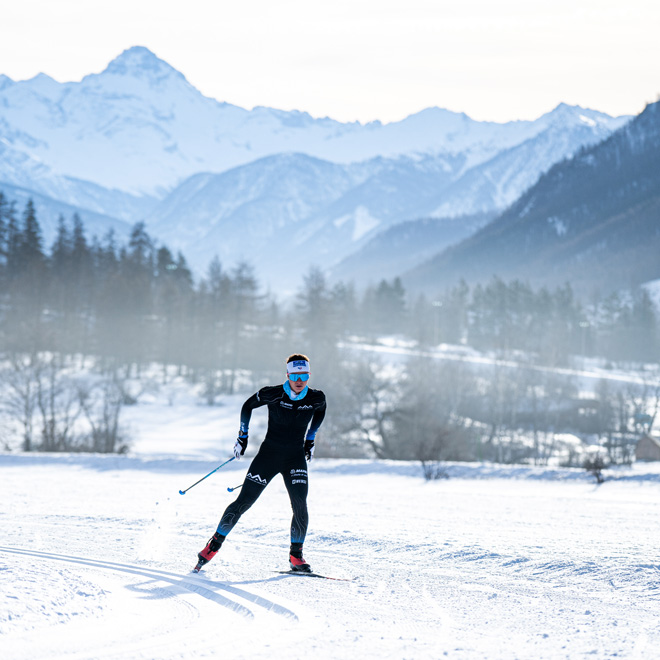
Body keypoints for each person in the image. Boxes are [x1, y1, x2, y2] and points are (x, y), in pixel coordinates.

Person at [194, 353, 326, 573]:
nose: (299, 380)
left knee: (300, 504)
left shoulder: (316, 398)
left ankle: (296, 557)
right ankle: (212, 546)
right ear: (288, 374)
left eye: (304, 375)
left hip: (295, 459)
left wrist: (310, 439)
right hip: (268, 457)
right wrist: (242, 437)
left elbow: (320, 412)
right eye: (295, 375)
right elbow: (247, 406)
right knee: (243, 502)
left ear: (308, 375)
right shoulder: (272, 393)